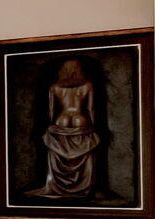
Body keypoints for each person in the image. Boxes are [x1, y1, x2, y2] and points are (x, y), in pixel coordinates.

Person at [31, 58, 104, 199]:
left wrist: (52, 125)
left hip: (62, 118)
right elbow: (90, 108)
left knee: (61, 148)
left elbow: (51, 110)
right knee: (84, 148)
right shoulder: (88, 85)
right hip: (79, 118)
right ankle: (81, 185)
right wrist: (92, 126)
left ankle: (60, 185)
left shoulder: (55, 87)